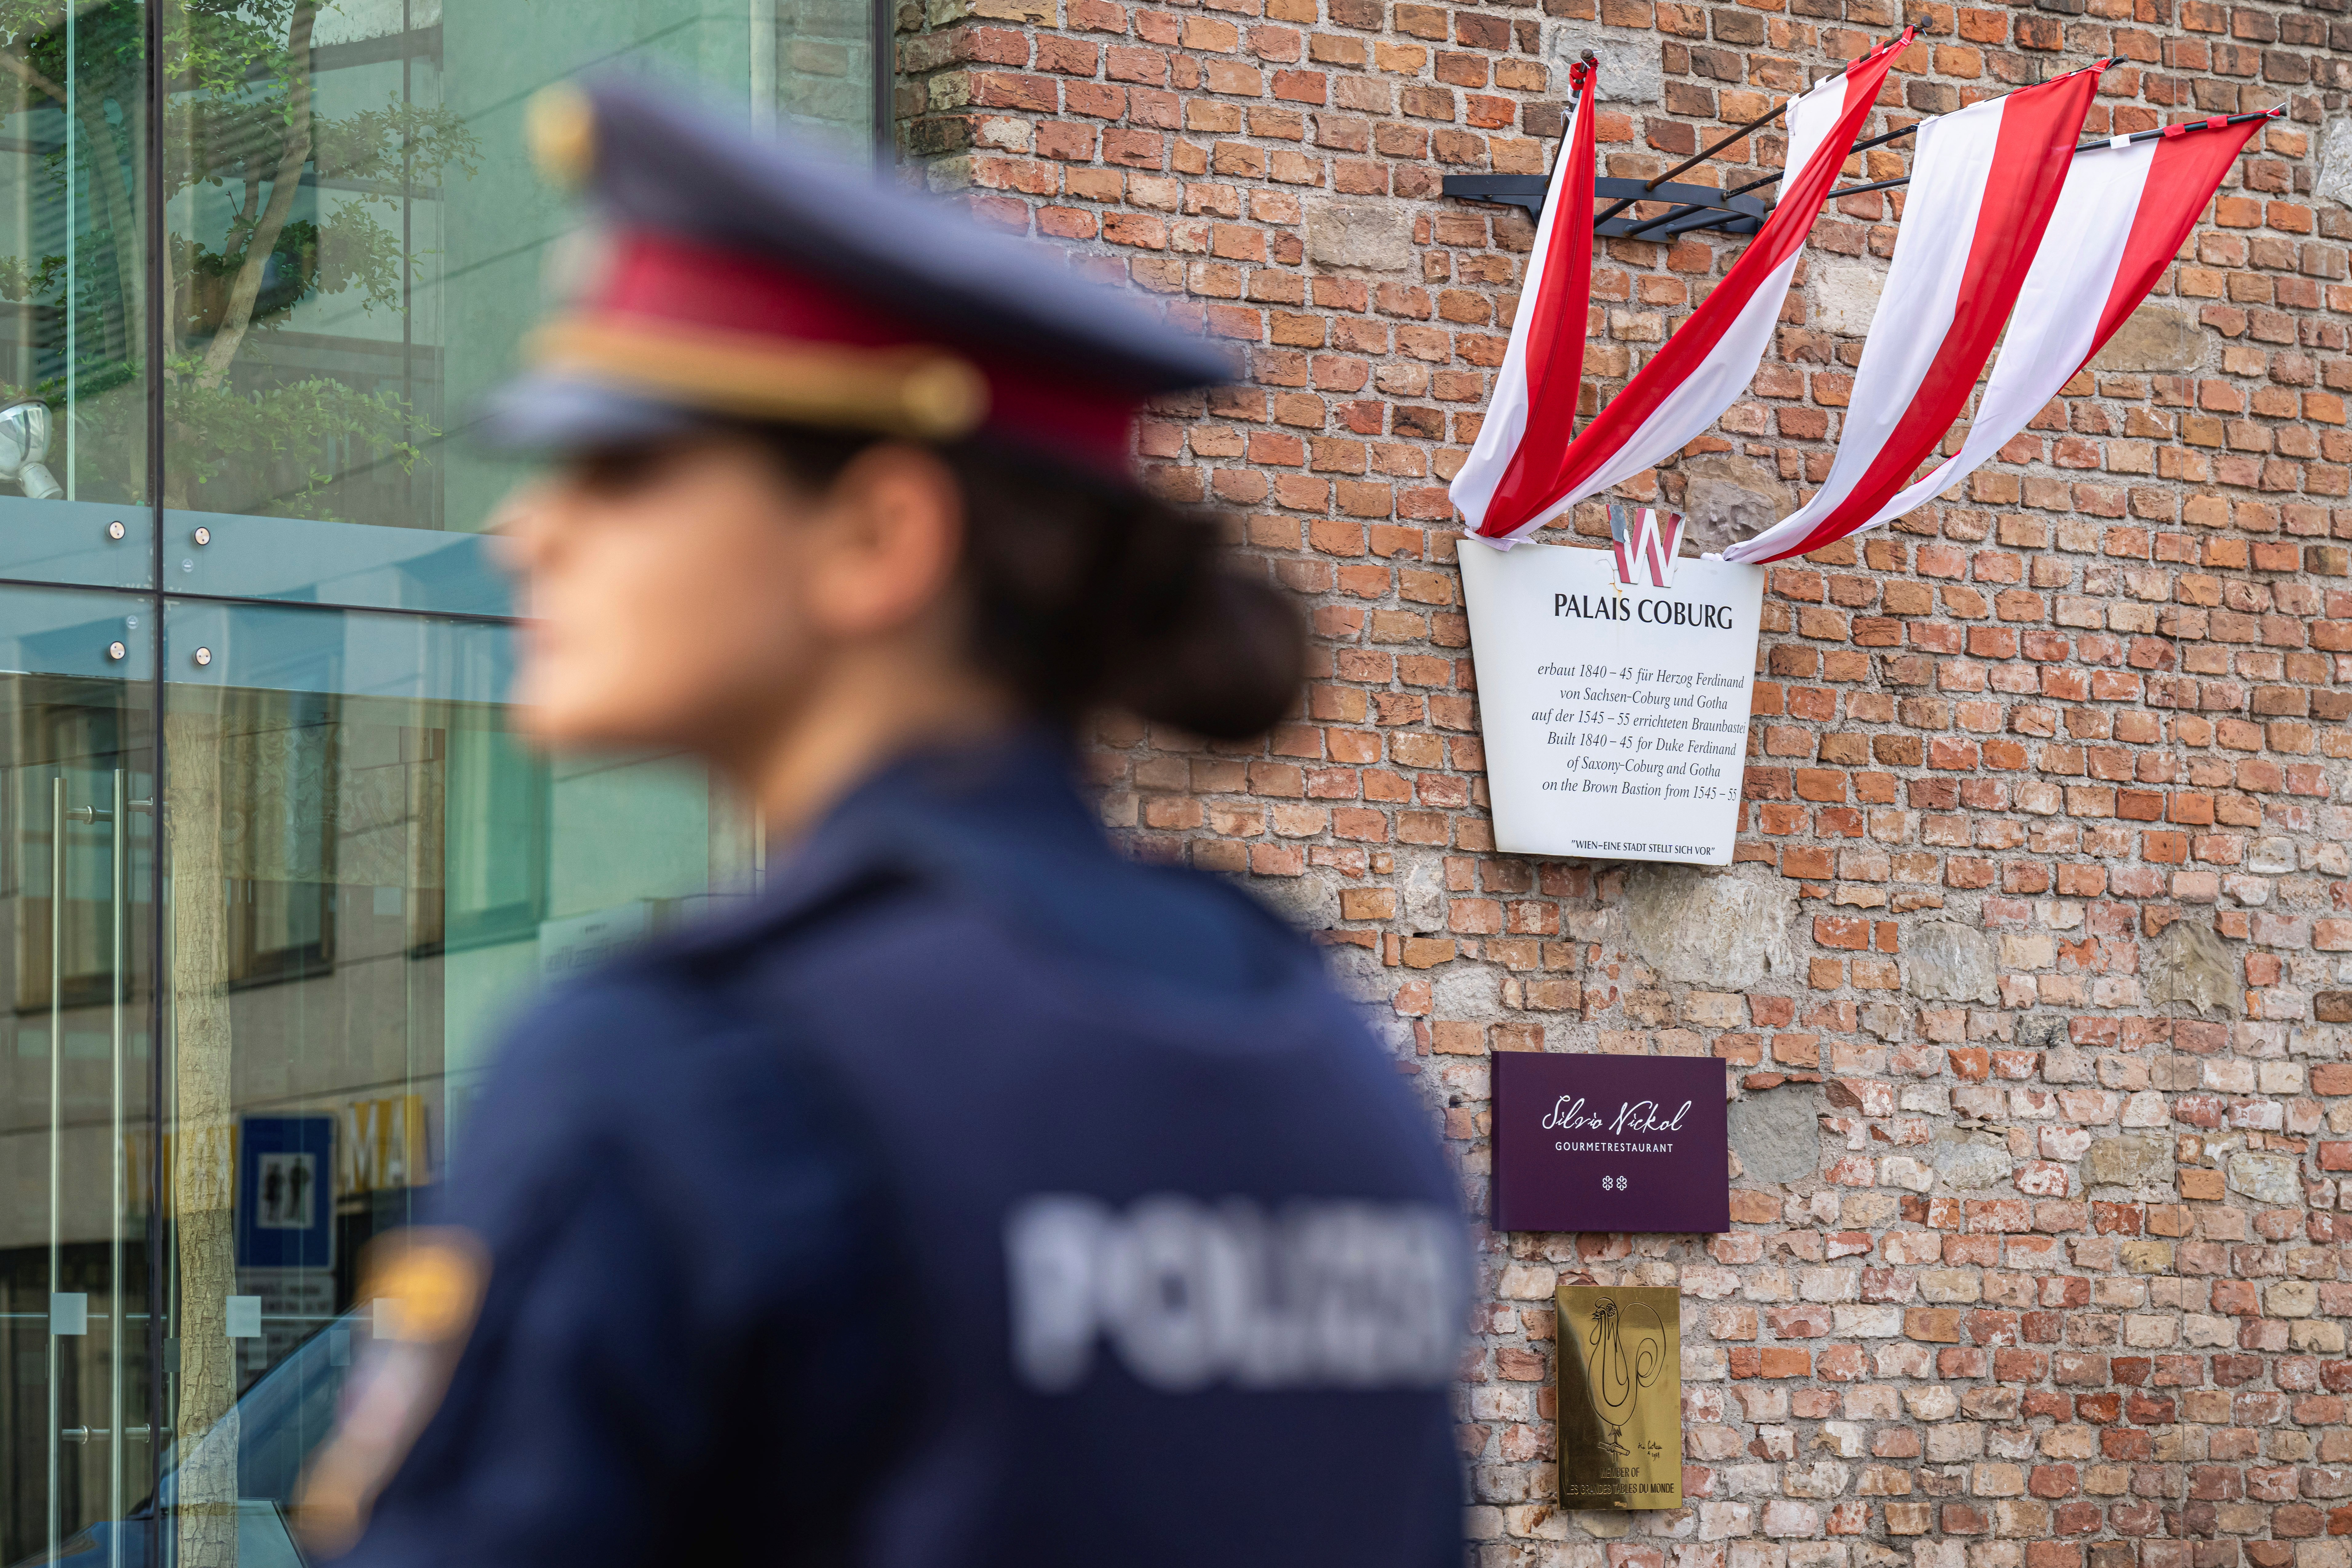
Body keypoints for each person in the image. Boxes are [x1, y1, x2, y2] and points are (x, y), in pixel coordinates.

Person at [293, 77, 1468, 1568]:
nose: (532, 528)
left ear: (876, 537)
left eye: (621, 464)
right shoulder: (1322, 1053)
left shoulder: (681, 1072)